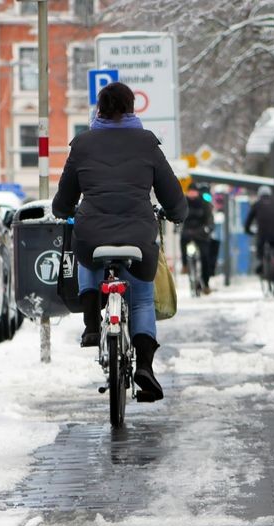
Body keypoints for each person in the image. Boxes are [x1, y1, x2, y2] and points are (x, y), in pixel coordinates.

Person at [52, 82, 187, 401]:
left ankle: (91, 325)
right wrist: (176, 213)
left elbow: (63, 200)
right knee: (141, 300)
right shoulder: (147, 143)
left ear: (99, 109)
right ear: (131, 108)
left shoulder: (82, 144)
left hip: (92, 233)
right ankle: (146, 367)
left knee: (85, 250)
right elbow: (172, 195)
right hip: (138, 234)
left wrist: (64, 211)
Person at [179, 183, 215, 294]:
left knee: (205, 256)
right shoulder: (183, 203)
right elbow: (179, 216)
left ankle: (206, 284)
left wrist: (207, 228)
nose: (192, 194)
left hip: (201, 234)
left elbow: (209, 219)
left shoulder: (204, 204)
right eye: (190, 191)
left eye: (193, 191)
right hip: (188, 232)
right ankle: (185, 265)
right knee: (183, 241)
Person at [244, 185, 274, 278]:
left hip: (262, 233)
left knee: (260, 248)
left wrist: (247, 230)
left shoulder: (257, 204)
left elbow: (249, 220)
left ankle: (262, 263)